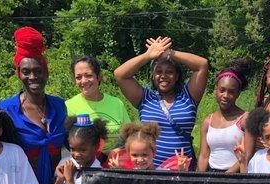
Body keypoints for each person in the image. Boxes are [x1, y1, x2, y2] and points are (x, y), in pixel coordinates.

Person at [0, 27, 67, 184]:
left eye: (38, 70)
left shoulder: (59, 106)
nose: (33, 76)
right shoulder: (5, 110)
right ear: (18, 73)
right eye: (26, 71)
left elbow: (74, 144)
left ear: (46, 72)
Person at [114, 36, 208, 169]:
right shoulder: (145, 97)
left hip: (182, 170)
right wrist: (148, 55)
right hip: (150, 170)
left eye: (169, 72)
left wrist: (169, 53)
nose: (163, 75)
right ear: (153, 75)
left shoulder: (189, 96)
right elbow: (120, 74)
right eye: (159, 72)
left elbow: (202, 65)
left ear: (176, 76)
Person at [65, 55, 131, 154]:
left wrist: (117, 152)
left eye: (88, 75)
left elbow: (129, 136)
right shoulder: (68, 106)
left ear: (99, 76)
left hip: (115, 164)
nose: (83, 81)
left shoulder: (117, 103)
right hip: (87, 166)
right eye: (78, 77)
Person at [197, 59, 251, 172]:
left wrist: (228, 175)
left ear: (238, 94)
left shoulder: (246, 119)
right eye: (222, 90)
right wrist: (199, 181)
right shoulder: (208, 121)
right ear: (215, 90)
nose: (226, 95)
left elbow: (249, 152)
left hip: (235, 177)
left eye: (231, 92)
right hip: (211, 175)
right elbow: (203, 156)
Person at [107, 122, 191, 172]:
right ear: (128, 154)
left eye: (144, 155)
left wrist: (182, 171)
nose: (140, 159)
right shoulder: (128, 175)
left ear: (154, 152)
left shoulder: (166, 174)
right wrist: (117, 173)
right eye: (135, 155)